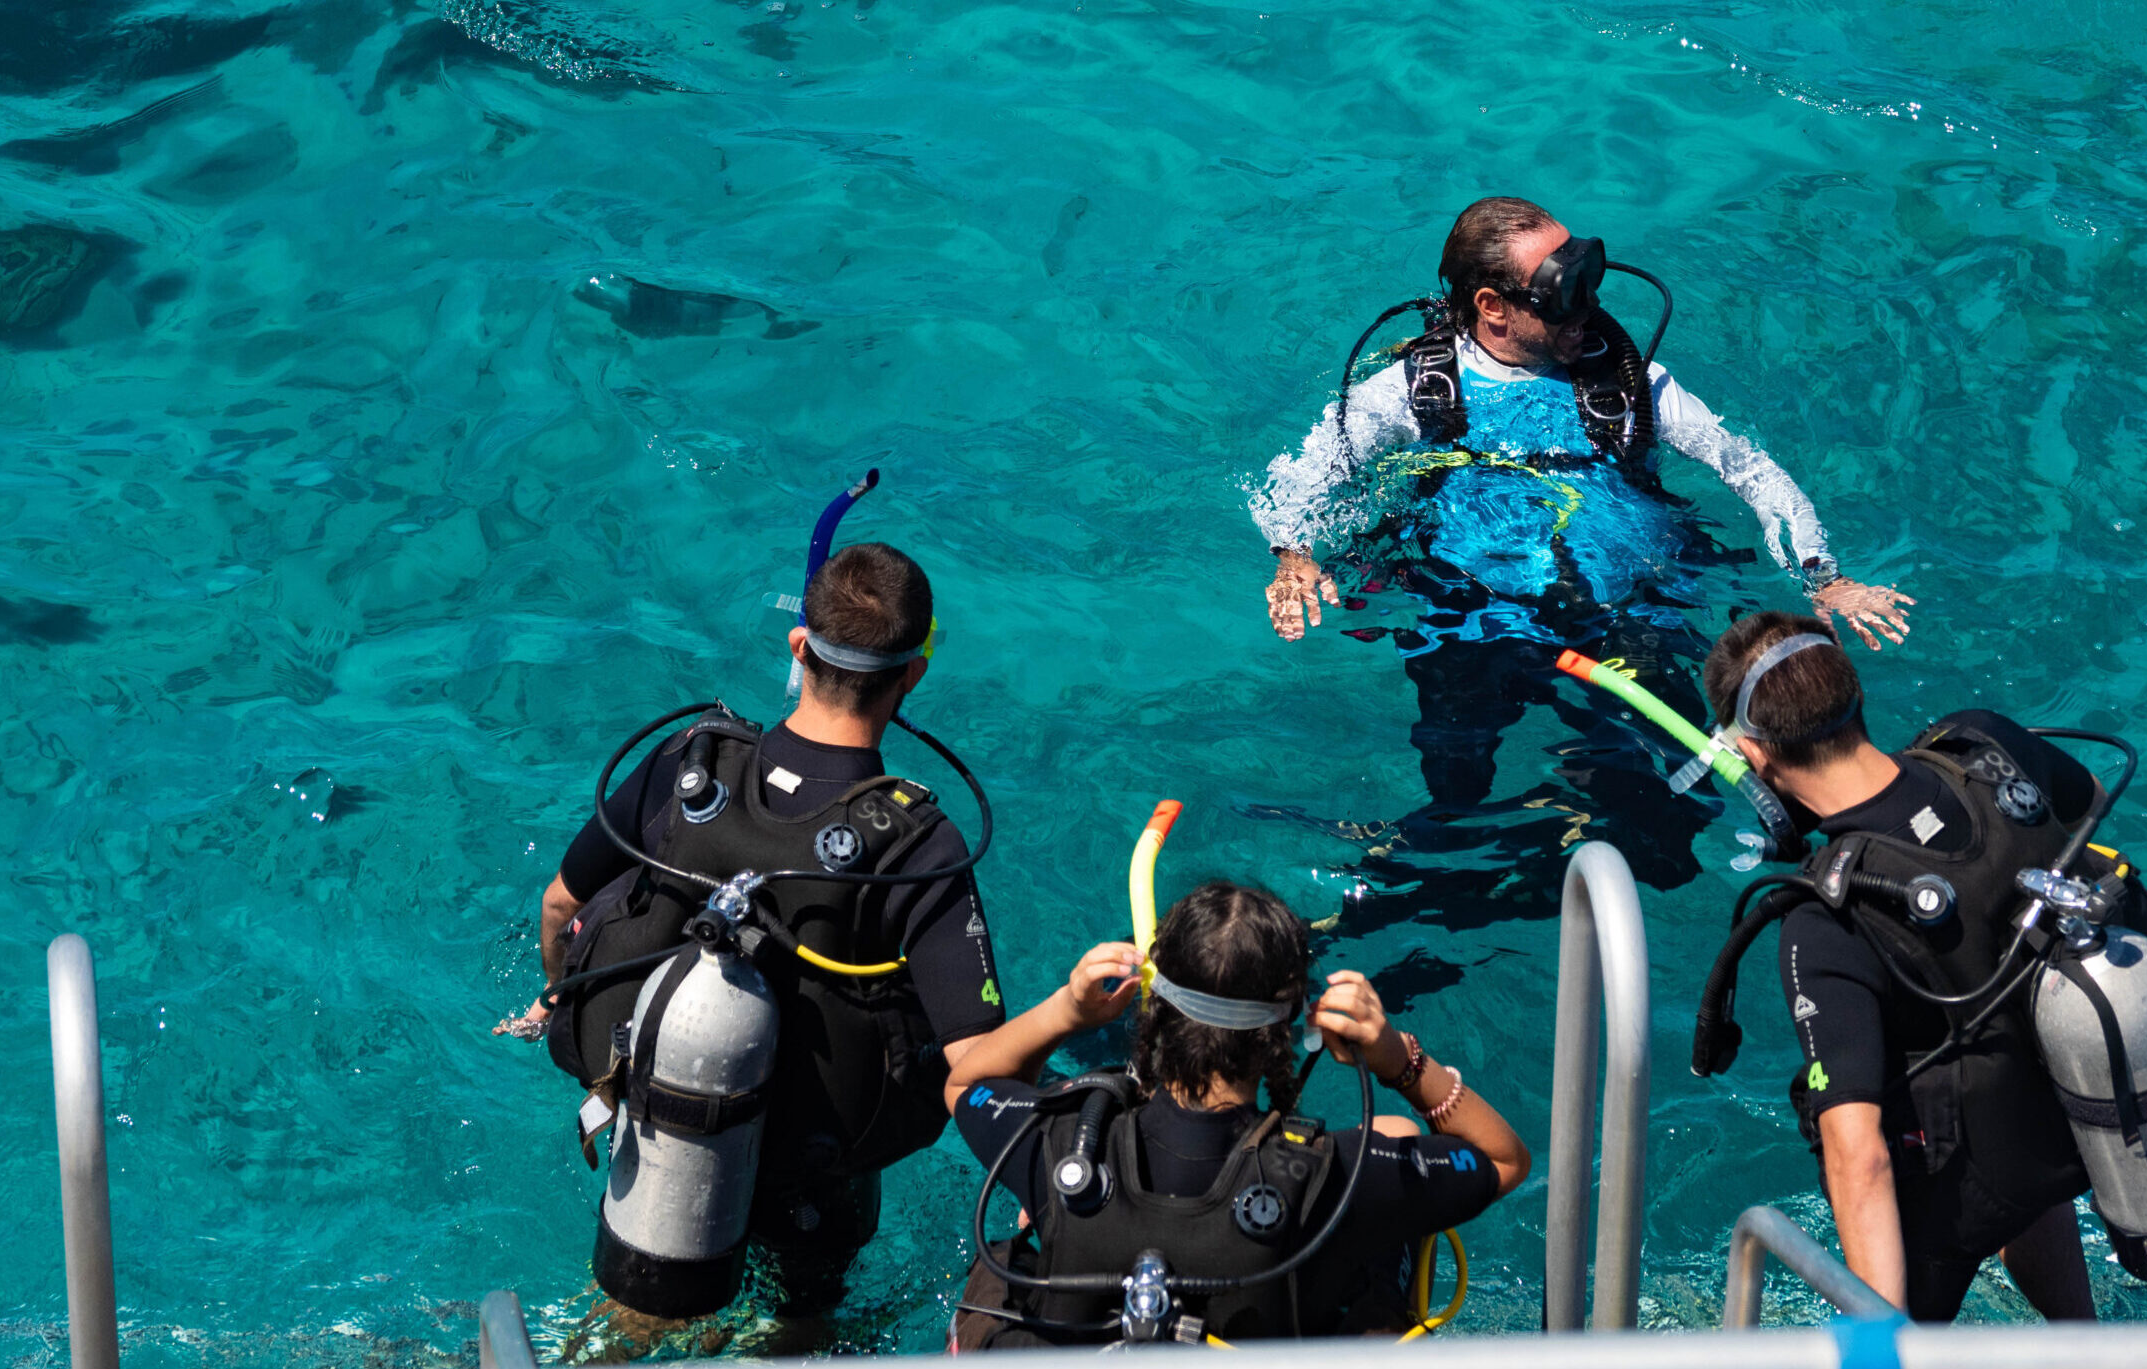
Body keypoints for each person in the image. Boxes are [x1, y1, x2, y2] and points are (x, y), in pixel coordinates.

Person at [1251, 196, 1914, 928]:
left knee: (1672, 830)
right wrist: (1294, 557)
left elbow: (1749, 470)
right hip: (1470, 620)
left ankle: (1554, 827)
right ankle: (1488, 857)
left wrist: (1825, 575)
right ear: (1492, 308)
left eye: (1592, 279)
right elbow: (1305, 477)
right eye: (1565, 294)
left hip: (1628, 619)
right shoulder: (1412, 392)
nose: (1589, 309)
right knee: (1456, 800)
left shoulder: (1631, 381)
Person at [497, 541, 1009, 1339]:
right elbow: (978, 1065)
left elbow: (561, 902)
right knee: (800, 1324)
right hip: (813, 1178)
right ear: (913, 674)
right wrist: (1076, 1013)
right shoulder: (920, 846)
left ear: (798, 646)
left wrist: (559, 998)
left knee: (633, 1318)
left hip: (672, 1131)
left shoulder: (688, 762)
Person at [1699, 611, 2098, 1321]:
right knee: (2006, 1109)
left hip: (1953, 1198)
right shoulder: (1985, 742)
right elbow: (2084, 801)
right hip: (2059, 1117)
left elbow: (1859, 1157)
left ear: (1756, 761)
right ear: (1851, 688)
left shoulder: (1825, 919)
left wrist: (1883, 1343)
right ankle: (2086, 1343)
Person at [942, 881, 1531, 1346]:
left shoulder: (1060, 1140)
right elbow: (1504, 1159)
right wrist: (1398, 1058)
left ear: (1154, 1008)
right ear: (1290, 1028)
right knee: (1397, 1137)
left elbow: (967, 1081)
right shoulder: (1334, 1178)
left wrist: (1065, 1011)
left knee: (1026, 1225)